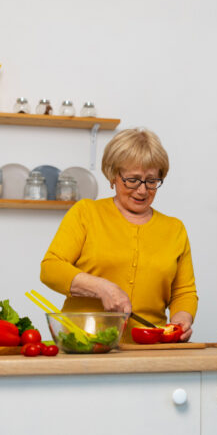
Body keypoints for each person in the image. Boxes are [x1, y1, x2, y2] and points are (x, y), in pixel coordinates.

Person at [41, 128, 198, 342]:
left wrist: (182, 320)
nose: (142, 190)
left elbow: (183, 292)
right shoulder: (86, 213)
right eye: (132, 180)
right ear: (113, 175)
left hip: (150, 348)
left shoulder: (174, 228)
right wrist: (102, 288)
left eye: (151, 181)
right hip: (83, 344)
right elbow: (51, 268)